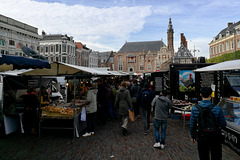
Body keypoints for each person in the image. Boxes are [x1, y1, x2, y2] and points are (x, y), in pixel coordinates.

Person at [189, 87, 227, 160]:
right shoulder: (217, 108)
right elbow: (223, 124)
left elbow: (192, 123)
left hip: (201, 135)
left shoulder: (195, 108)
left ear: (201, 94)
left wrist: (193, 136)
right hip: (215, 136)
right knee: (216, 156)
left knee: (203, 156)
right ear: (211, 95)